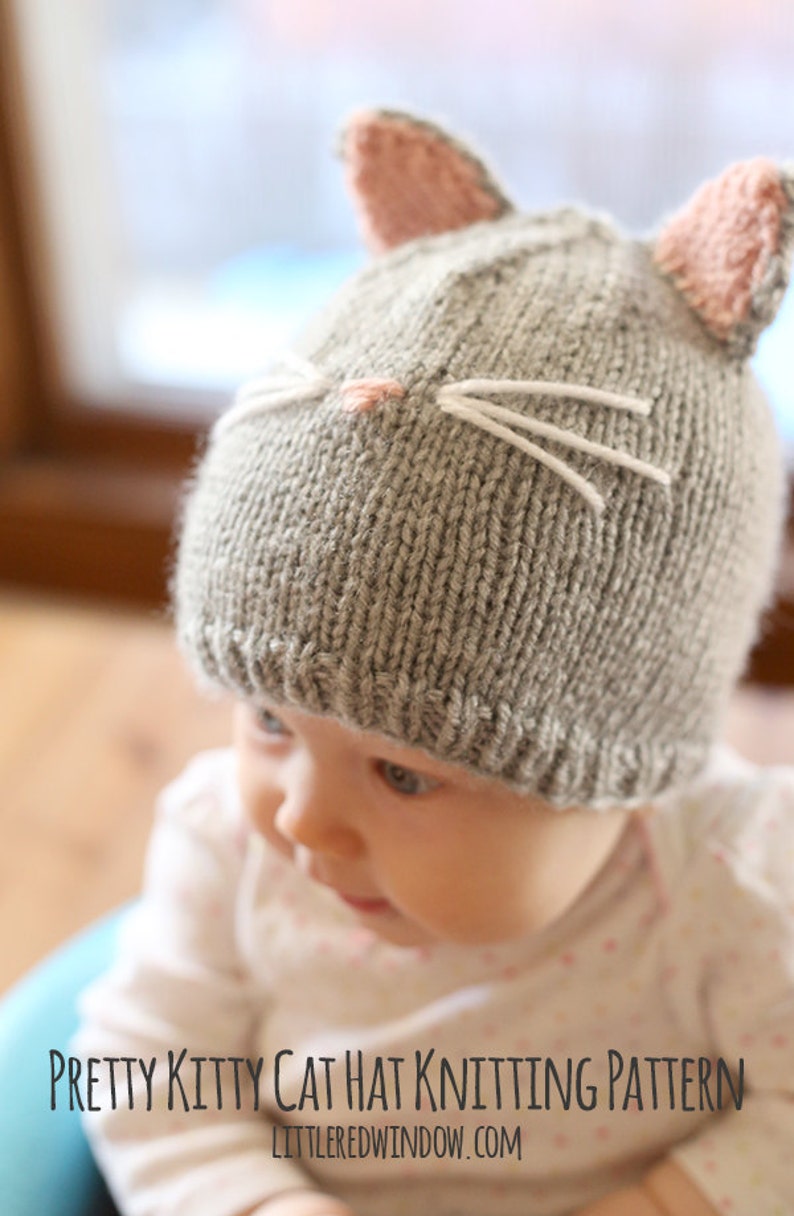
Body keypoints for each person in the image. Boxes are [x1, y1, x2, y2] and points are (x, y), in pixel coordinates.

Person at [74, 109, 794, 1216]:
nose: (300, 820)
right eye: (269, 716)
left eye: (402, 772)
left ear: (619, 764)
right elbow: (145, 1066)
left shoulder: (723, 885)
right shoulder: (226, 843)